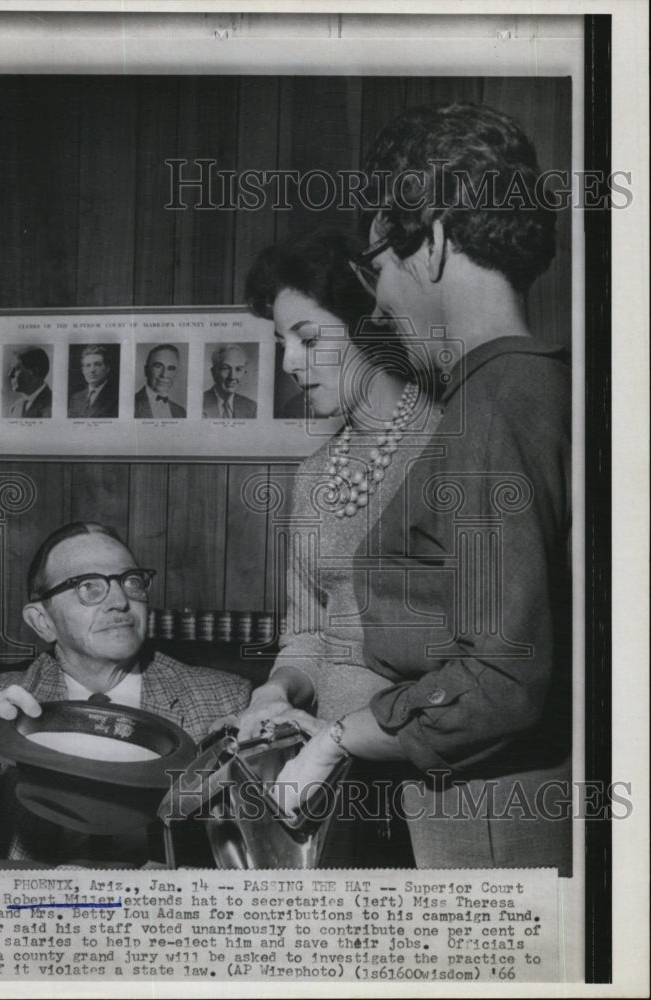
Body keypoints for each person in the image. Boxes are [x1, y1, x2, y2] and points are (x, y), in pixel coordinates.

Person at [256, 103, 572, 873]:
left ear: (428, 243)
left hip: (488, 811)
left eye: (380, 266)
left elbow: (500, 678)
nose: (383, 300)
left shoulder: (485, 408)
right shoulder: (550, 385)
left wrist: (337, 736)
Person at [241, 227, 441, 864]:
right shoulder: (312, 475)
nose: (290, 365)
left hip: (432, 775)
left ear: (368, 326)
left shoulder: (450, 447)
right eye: (282, 345)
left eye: (307, 338)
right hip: (328, 779)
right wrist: (277, 689)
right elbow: (309, 633)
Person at [0, 521, 251, 862]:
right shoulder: (1, 702)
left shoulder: (226, 701)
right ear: (43, 622)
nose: (120, 601)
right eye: (89, 586)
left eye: (131, 581)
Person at [202, 344, 257, 419]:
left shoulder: (252, 407)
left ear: (244, 372)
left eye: (238, 369)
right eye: (226, 368)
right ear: (214, 372)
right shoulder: (199, 403)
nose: (232, 376)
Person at [135, 343, 187, 418]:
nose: (164, 375)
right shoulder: (129, 405)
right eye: (158, 366)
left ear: (176, 373)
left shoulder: (181, 412)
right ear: (146, 370)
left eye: (171, 368)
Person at [68, 344, 118, 418]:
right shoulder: (76, 398)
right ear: (83, 371)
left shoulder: (116, 396)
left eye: (97, 364)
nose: (92, 370)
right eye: (88, 365)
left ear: (107, 368)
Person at [7, 347, 52, 418]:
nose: (10, 374)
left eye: (17, 369)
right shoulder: (15, 407)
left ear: (34, 372)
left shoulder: (52, 407)